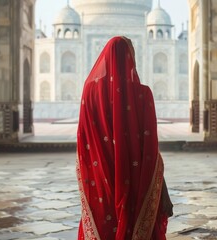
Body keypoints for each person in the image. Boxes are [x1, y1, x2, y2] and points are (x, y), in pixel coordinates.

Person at [76, 36, 173, 240]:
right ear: (130, 58)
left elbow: (83, 138)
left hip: (99, 169)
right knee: (132, 210)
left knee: (104, 212)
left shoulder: (89, 92)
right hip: (135, 170)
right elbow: (150, 146)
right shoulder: (143, 94)